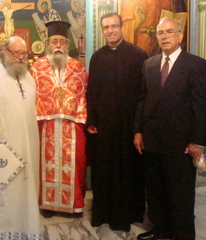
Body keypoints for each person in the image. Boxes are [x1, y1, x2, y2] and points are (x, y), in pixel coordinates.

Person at [134, 17, 206, 240]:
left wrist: (197, 142)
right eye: (161, 33)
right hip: (152, 140)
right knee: (156, 190)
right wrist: (138, 131)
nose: (165, 36)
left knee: (180, 193)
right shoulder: (149, 65)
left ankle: (182, 235)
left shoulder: (196, 65)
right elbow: (142, 100)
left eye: (170, 32)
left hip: (181, 143)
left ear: (180, 36)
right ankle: (160, 230)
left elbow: (203, 106)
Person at [0, 36, 42, 239]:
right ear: (4, 51)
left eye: (24, 54)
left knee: (25, 190)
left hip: (27, 145)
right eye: (16, 53)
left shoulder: (28, 77)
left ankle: (26, 227)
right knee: (1, 190)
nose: (20, 57)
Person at [86, 12, 147, 232]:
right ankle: (103, 213)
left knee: (128, 170)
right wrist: (92, 119)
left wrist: (138, 128)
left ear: (121, 28)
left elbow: (143, 95)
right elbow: (91, 91)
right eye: (106, 27)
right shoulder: (97, 57)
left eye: (114, 26)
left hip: (129, 127)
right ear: (102, 31)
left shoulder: (138, 55)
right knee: (104, 170)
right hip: (104, 127)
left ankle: (128, 214)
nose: (110, 31)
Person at [30, 21, 88, 218]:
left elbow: (85, 95)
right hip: (45, 125)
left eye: (62, 42)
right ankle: (48, 204)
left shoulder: (77, 67)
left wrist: (81, 118)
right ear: (48, 43)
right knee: (45, 165)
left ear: (67, 44)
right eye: (54, 41)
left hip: (72, 126)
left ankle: (73, 205)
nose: (58, 46)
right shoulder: (37, 67)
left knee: (75, 163)